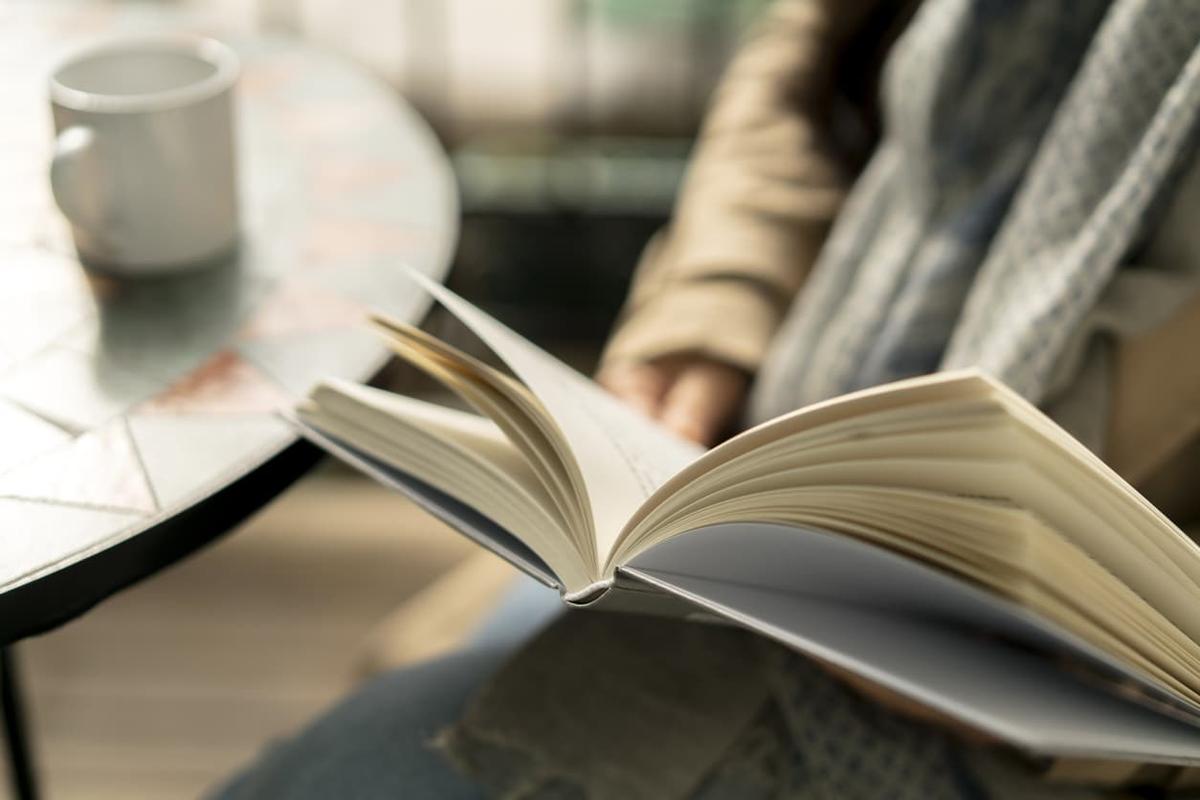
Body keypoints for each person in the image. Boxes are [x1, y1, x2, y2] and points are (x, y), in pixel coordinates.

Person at [214, 0, 1200, 797]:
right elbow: (812, 52)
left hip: (1036, 729)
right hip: (755, 473)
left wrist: (1090, 695)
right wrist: (716, 309)